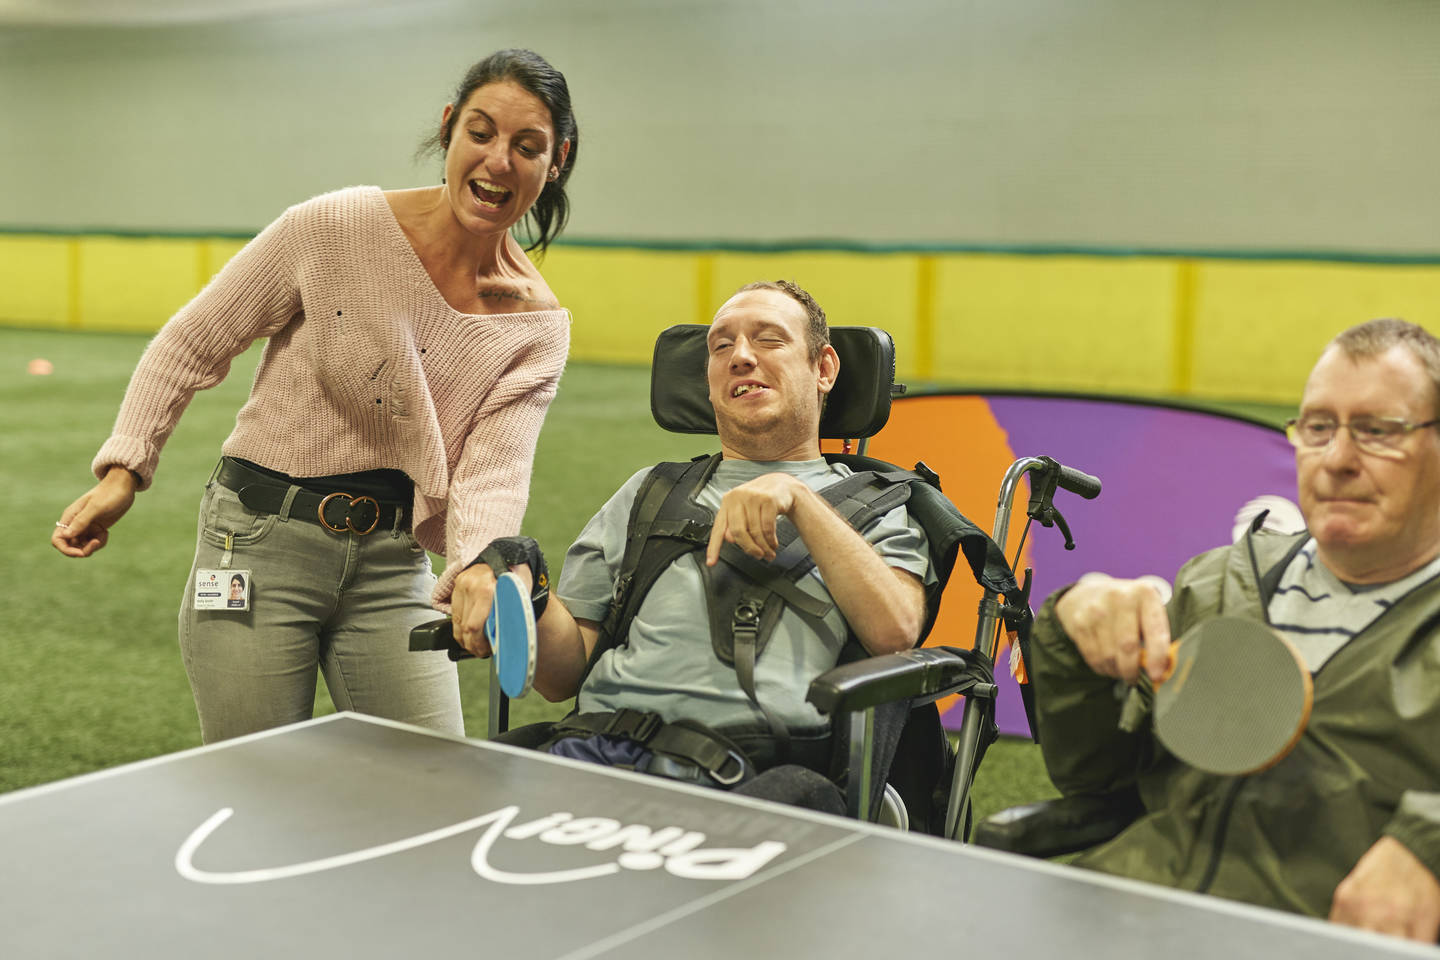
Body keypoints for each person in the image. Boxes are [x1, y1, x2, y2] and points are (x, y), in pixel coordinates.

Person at [50, 49, 578, 744]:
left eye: (527, 146)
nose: (498, 161)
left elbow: (494, 473)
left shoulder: (537, 327)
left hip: (394, 567)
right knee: (259, 795)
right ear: (449, 128)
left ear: (557, 160)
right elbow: (193, 341)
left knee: (433, 782)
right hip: (260, 543)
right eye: (481, 133)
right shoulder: (336, 227)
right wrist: (125, 469)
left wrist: (480, 562)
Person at [1029, 317, 1440, 944]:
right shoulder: (1219, 583)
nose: (1338, 460)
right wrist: (1073, 632)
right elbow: (1099, 776)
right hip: (1129, 913)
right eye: (1319, 427)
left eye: (1377, 431)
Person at [455, 280, 933, 809]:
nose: (741, 357)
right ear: (707, 383)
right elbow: (561, 677)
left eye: (769, 339)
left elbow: (895, 632)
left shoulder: (876, 506)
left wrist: (799, 498)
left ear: (823, 369)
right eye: (721, 346)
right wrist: (527, 587)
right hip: (591, 749)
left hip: (751, 776)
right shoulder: (648, 492)